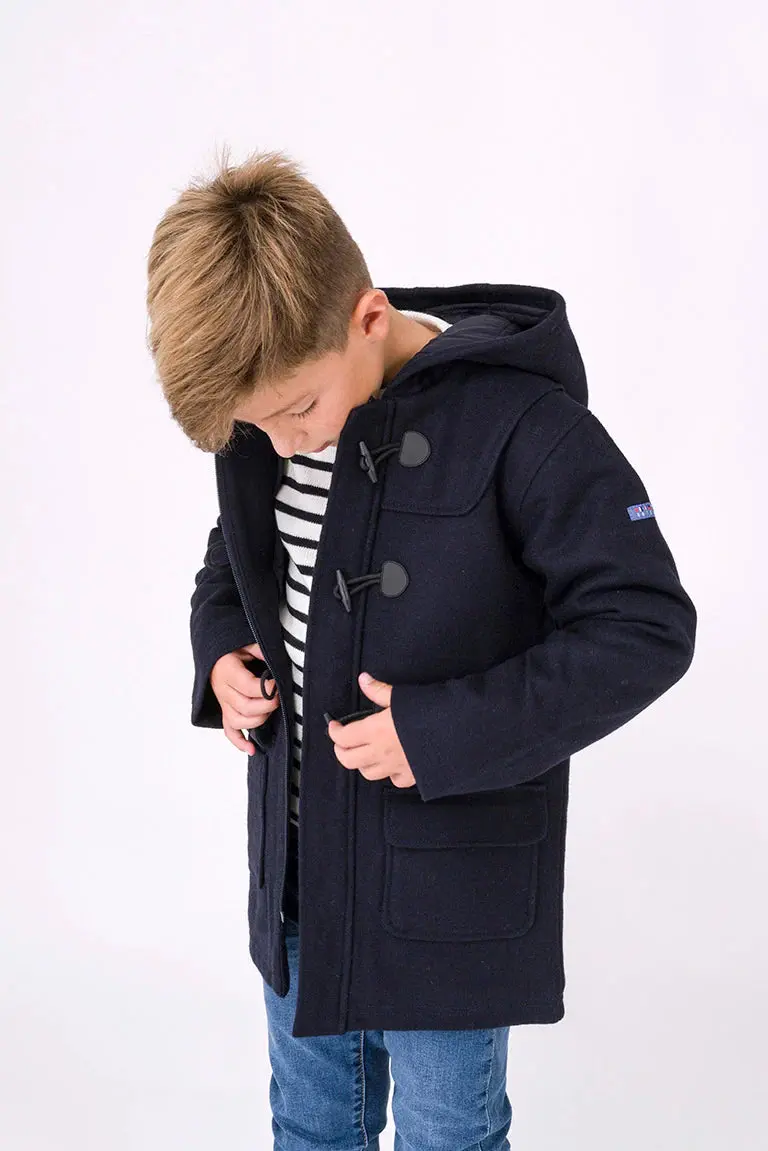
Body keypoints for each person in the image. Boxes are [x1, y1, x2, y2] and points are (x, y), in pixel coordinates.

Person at [145, 147, 697, 1150]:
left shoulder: (525, 424)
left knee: (451, 1136)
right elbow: (238, 556)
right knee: (310, 1127)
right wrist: (222, 648)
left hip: (447, 895)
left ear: (368, 318)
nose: (287, 444)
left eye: (298, 412)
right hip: (301, 879)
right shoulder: (282, 411)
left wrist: (438, 730)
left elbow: (645, 625)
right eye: (257, 429)